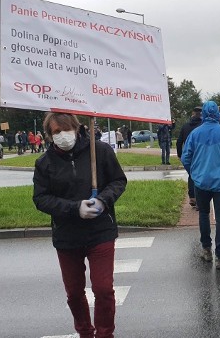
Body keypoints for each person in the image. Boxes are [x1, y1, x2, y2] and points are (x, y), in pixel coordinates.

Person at [32, 113, 127, 338]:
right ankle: (85, 332)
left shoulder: (100, 151)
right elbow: (41, 198)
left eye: (66, 130)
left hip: (100, 231)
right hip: (67, 236)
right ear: (49, 135)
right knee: (74, 293)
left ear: (77, 128)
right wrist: (75, 208)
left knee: (103, 290)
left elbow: (118, 181)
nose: (62, 136)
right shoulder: (44, 163)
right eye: (56, 132)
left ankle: (105, 334)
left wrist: (103, 200)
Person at [181, 101, 220, 270]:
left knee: (203, 214)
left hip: (201, 182)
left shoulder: (195, 134)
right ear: (217, 114)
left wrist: (194, 173)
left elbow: (186, 158)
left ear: (203, 115)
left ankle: (206, 249)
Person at [176, 107, 203, 209]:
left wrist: (180, 154)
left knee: (191, 175)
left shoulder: (185, 126)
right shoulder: (202, 126)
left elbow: (179, 141)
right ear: (201, 115)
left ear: (192, 114)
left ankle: (192, 197)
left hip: (188, 156)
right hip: (200, 155)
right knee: (200, 176)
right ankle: (199, 199)